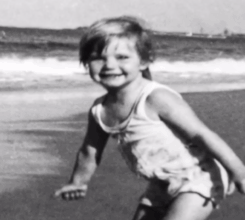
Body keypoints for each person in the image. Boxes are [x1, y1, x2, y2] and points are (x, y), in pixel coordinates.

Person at [54, 16, 245, 220]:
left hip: (200, 176)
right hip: (161, 183)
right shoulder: (100, 110)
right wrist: (78, 182)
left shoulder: (155, 98)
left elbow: (201, 134)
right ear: (85, 63)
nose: (109, 65)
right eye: (97, 57)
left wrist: (239, 172)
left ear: (144, 60)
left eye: (122, 57)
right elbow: (89, 152)